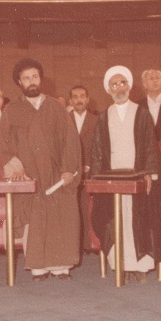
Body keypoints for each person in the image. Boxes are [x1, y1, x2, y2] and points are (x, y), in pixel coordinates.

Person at [0, 58, 81, 281]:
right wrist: (16, 168)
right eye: (26, 78)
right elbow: (4, 143)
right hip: (29, 174)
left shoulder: (56, 107)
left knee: (60, 218)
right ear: (19, 82)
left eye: (34, 76)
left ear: (40, 79)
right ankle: (38, 269)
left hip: (56, 175)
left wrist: (68, 169)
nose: (31, 81)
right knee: (33, 220)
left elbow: (70, 140)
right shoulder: (12, 110)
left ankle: (60, 267)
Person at [90, 67, 161, 283]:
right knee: (114, 219)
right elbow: (97, 150)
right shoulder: (104, 117)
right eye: (114, 84)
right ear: (108, 89)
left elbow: (150, 145)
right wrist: (97, 180)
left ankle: (140, 267)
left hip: (137, 176)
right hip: (112, 179)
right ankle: (120, 265)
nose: (119, 88)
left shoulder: (141, 113)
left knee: (138, 220)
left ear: (129, 86)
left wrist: (149, 173)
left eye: (123, 83)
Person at [69, 85, 98, 250]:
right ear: (70, 101)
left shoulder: (97, 121)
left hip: (89, 173)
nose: (79, 100)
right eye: (75, 97)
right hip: (69, 173)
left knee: (87, 208)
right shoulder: (63, 120)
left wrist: (89, 166)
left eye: (82, 96)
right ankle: (72, 246)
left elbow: (100, 148)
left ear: (87, 100)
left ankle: (87, 245)